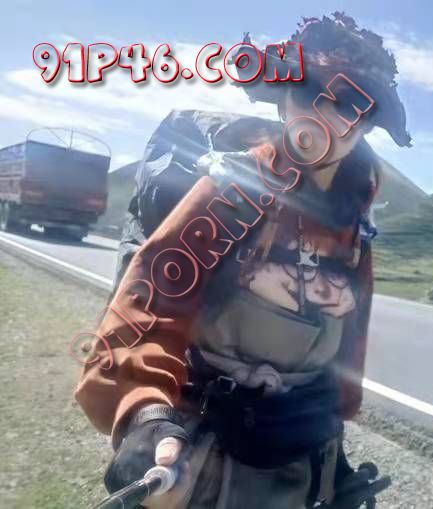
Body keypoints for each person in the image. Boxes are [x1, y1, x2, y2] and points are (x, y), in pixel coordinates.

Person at [74, 12, 411, 508]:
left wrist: (334, 453)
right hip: (209, 451)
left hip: (302, 452)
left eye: (349, 105)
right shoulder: (236, 192)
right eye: (310, 93)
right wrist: (146, 416)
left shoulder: (356, 218)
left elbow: (347, 341)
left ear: (367, 121)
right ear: (285, 100)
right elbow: (150, 305)